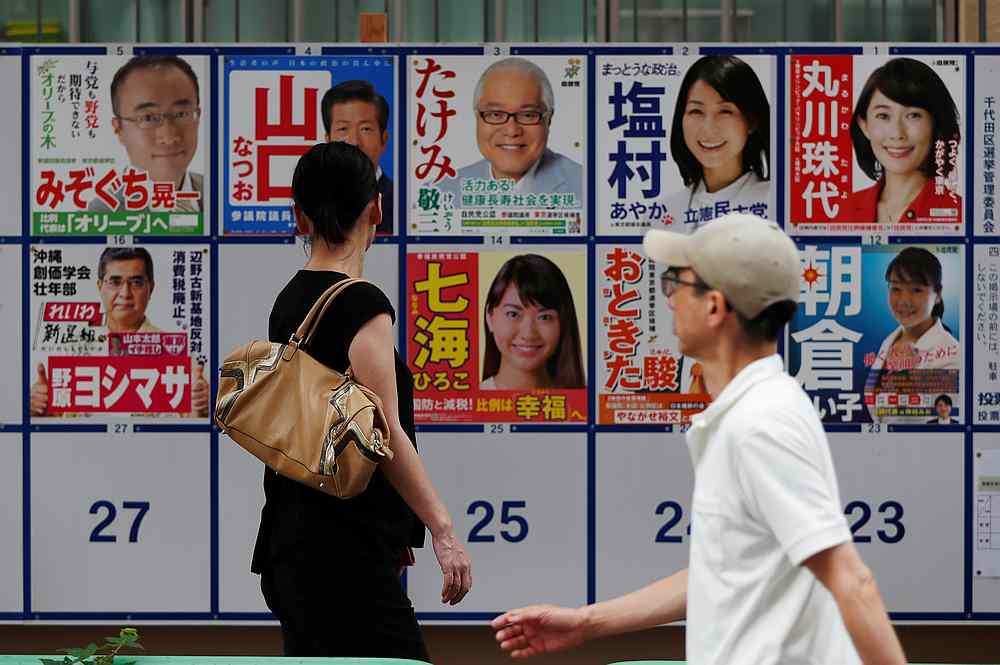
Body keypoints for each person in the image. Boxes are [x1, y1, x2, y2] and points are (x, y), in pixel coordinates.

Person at [492, 213, 906, 665]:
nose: (669, 301)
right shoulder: (748, 412)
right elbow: (724, 570)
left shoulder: (760, 422)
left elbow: (851, 581)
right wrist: (588, 623)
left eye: (678, 285)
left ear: (714, 306)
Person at [253, 142, 471, 659]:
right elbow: (385, 433)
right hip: (346, 553)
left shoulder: (291, 301)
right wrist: (444, 531)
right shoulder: (361, 303)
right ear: (376, 208)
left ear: (299, 216)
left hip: (292, 542)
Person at [30, 247, 208, 418]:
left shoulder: (177, 355)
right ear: (100, 286)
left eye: (136, 282)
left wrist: (199, 410)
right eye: (115, 282)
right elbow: (54, 423)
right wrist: (40, 408)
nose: (125, 293)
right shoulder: (73, 350)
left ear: (151, 288)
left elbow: (191, 429)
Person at [440, 58, 582, 201]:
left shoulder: (589, 186)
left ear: (549, 119)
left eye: (528, 115)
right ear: (477, 117)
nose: (512, 131)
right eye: (495, 114)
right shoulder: (440, 192)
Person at [844, 57, 962, 225]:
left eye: (913, 115)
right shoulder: (843, 212)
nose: (897, 134)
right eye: (883, 116)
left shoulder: (961, 215)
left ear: (935, 125)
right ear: (864, 126)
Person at [664, 55, 771, 232]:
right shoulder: (663, 213)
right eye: (696, 111)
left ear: (751, 120)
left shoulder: (779, 204)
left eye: (725, 111)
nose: (708, 128)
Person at [89, 55, 203, 213]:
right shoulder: (98, 216)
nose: (169, 137)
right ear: (119, 129)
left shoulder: (225, 194)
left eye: (181, 114)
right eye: (148, 118)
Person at [865, 247, 960, 422]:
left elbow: (937, 421)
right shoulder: (891, 339)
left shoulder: (952, 354)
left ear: (937, 294)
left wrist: (902, 373)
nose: (904, 300)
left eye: (916, 290)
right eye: (896, 289)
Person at [481, 254, 585, 390]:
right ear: (490, 317)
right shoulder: (467, 404)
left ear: (564, 322)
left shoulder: (587, 401)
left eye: (544, 317)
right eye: (513, 314)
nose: (528, 334)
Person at [321, 79, 393, 234]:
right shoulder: (315, 206)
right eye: (343, 129)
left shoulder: (401, 204)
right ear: (328, 141)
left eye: (365, 129)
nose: (354, 142)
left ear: (384, 140)